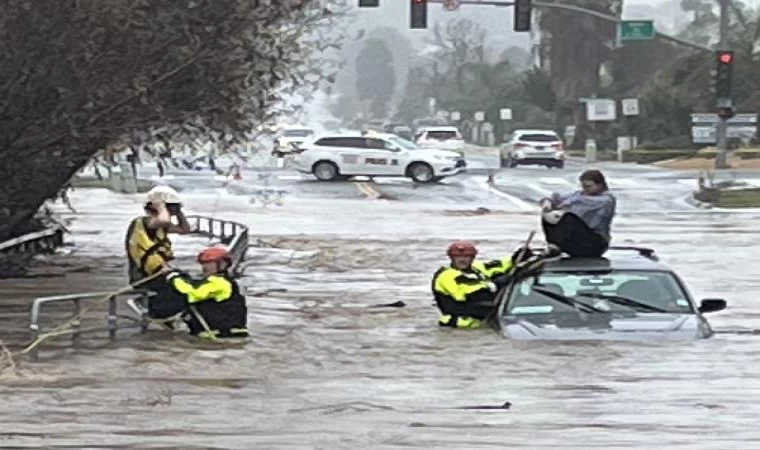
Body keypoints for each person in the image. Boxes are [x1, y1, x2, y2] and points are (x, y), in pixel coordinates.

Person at [125, 185, 192, 321]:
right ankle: (151, 309)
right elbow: (163, 220)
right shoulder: (145, 222)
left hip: (158, 272)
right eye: (170, 207)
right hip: (144, 276)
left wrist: (179, 212)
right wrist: (161, 206)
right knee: (176, 287)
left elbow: (184, 229)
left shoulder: (161, 227)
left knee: (187, 282)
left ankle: (166, 314)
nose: (171, 211)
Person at [431, 241, 534, 329]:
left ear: (472, 258)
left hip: (481, 324)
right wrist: (497, 284)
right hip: (459, 327)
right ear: (451, 258)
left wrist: (516, 258)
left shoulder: (477, 268)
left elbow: (498, 265)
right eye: (458, 257)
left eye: (466, 256)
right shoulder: (447, 276)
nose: (462, 260)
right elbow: (479, 294)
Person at [166, 246, 249, 339]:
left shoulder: (219, 283)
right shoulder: (222, 282)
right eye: (203, 263)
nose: (204, 267)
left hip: (221, 338)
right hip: (224, 336)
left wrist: (173, 279)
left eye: (209, 263)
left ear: (222, 264)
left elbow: (192, 294)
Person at [539, 169, 616, 258]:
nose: (585, 189)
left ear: (600, 185)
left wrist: (564, 204)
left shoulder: (607, 200)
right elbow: (556, 197)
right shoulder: (579, 194)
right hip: (575, 240)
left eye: (588, 186)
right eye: (583, 186)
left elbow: (581, 202)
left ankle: (556, 246)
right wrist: (547, 202)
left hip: (595, 242)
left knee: (568, 217)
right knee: (548, 215)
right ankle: (553, 245)